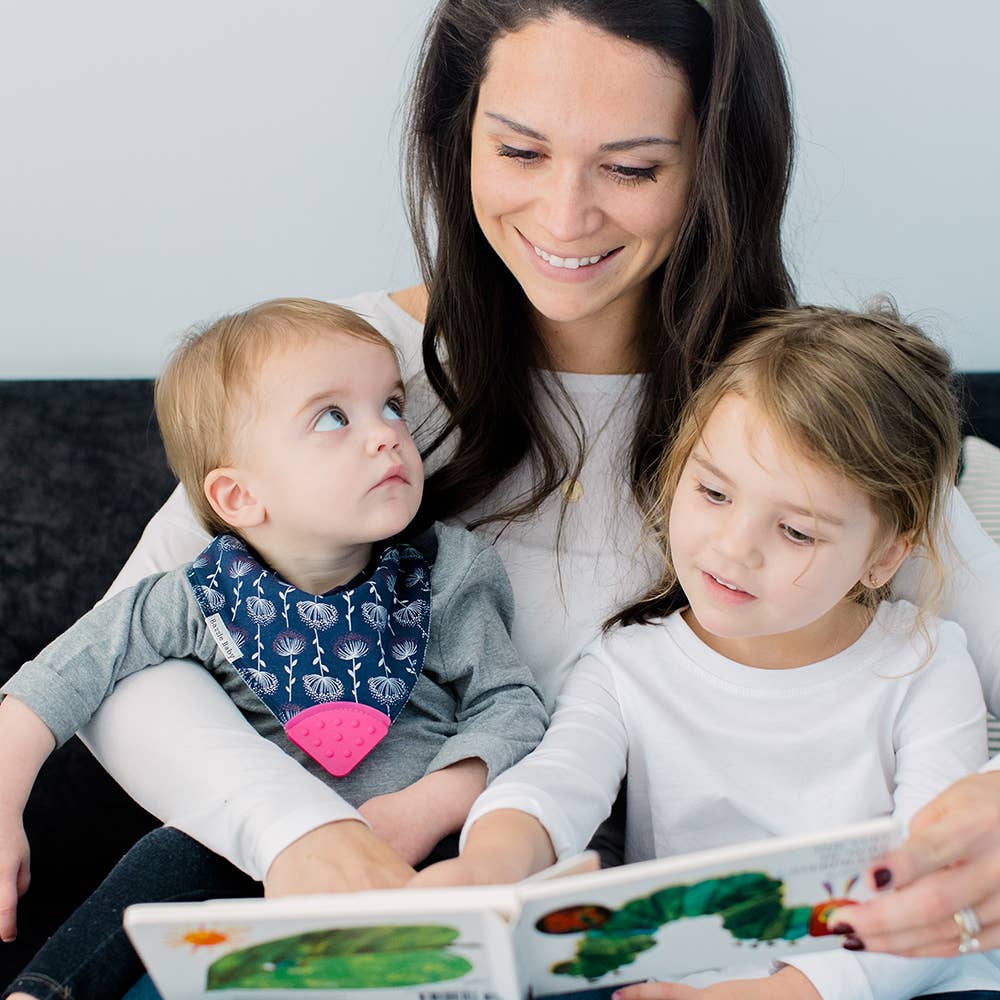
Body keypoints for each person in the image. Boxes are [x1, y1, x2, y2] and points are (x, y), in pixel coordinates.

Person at [11, 0, 1000, 987]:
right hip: (345, 902)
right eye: (520, 153)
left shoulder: (793, 408)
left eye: (631, 167)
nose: (564, 218)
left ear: (713, 167)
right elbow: (129, 648)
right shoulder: (345, 374)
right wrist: (297, 831)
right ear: (459, 135)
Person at [413, 304, 1000, 999]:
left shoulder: (926, 662)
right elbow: (558, 781)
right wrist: (491, 863)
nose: (732, 547)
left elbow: (930, 879)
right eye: (714, 492)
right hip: (677, 976)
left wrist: (785, 992)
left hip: (890, 973)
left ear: (884, 556)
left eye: (796, 531)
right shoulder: (627, 665)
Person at [0, 298, 547, 1000]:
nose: (386, 436)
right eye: (332, 418)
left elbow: (512, 706)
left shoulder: (446, 574)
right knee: (171, 853)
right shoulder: (194, 596)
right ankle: (44, 991)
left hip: (420, 843)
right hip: (256, 857)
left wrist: (431, 806)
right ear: (239, 495)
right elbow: (61, 677)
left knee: (485, 877)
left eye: (391, 406)